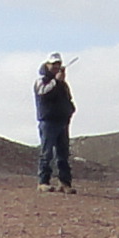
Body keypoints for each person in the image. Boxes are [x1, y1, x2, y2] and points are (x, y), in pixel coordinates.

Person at [34, 55, 76, 192]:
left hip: (62, 121)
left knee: (63, 154)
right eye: (53, 64)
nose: (56, 67)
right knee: (46, 153)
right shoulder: (41, 81)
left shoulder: (63, 84)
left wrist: (70, 110)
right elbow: (44, 94)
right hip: (48, 121)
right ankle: (43, 182)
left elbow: (68, 98)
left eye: (58, 64)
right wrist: (56, 82)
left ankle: (64, 183)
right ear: (47, 65)